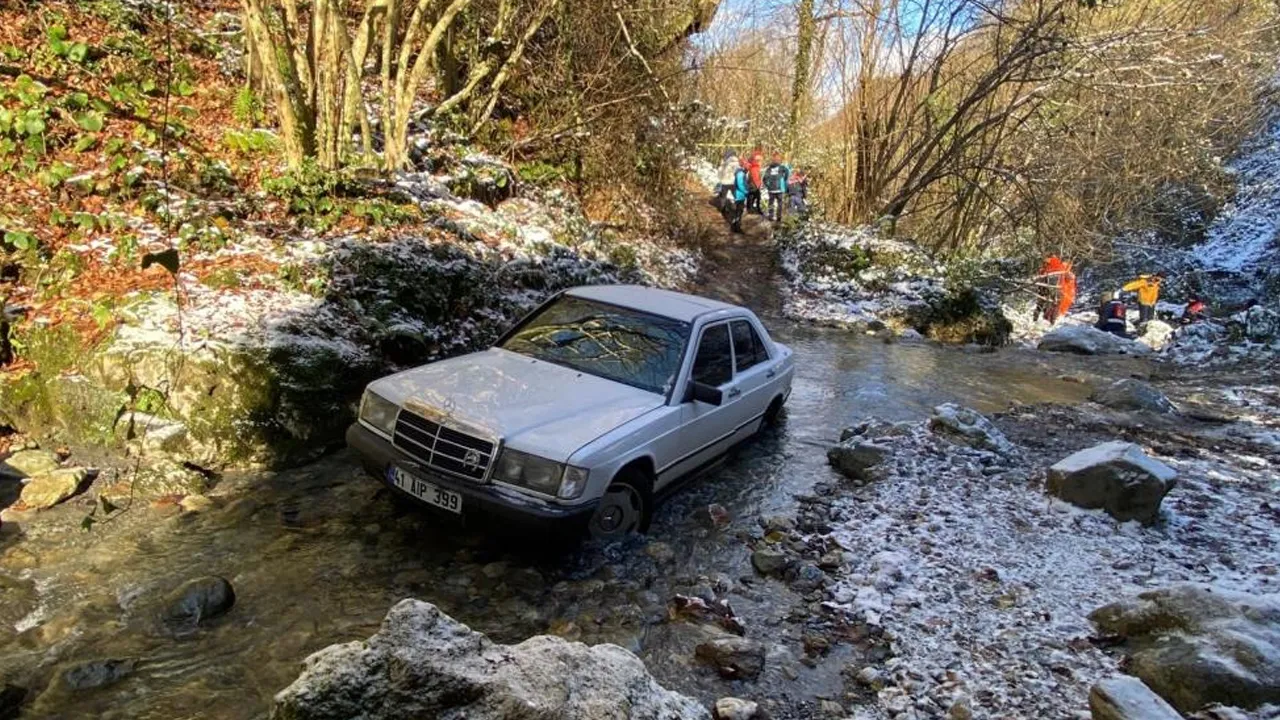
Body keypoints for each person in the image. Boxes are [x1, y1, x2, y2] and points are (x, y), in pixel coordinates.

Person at [763, 152, 790, 222]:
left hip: (773, 189)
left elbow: (764, 178)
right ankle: (778, 217)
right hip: (778, 189)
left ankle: (771, 216)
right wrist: (784, 179)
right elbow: (787, 172)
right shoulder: (781, 167)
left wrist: (767, 185)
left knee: (771, 203)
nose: (776, 160)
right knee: (779, 203)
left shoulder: (769, 168)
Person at [729, 157, 750, 234]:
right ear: (743, 165)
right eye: (747, 165)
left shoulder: (741, 172)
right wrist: (746, 191)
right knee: (738, 211)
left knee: (738, 211)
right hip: (739, 195)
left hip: (739, 194)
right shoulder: (740, 173)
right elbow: (740, 184)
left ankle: (735, 226)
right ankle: (736, 227)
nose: (748, 167)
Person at [746, 148, 764, 215]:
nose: (761, 161)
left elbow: (758, 176)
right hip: (753, 182)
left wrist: (759, 182)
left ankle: (755, 208)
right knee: (752, 196)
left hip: (756, 183)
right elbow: (754, 175)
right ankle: (750, 209)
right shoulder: (753, 165)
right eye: (759, 160)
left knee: (757, 196)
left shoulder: (757, 166)